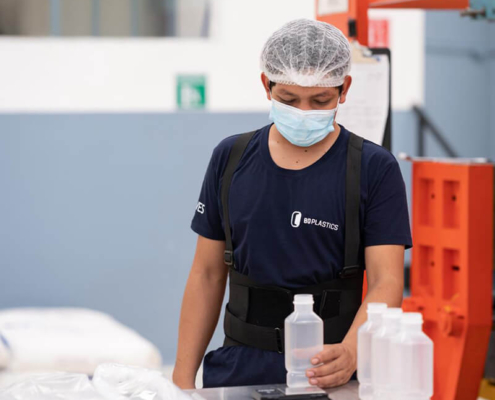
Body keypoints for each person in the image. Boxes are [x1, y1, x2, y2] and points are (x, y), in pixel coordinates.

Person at [173, 18, 412, 390]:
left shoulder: (372, 168)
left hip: (331, 376)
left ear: (344, 89)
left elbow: (387, 281)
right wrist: (180, 383)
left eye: (320, 101)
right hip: (238, 372)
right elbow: (206, 275)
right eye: (288, 99)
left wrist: (352, 351)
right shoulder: (231, 158)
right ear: (266, 85)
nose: (303, 111)